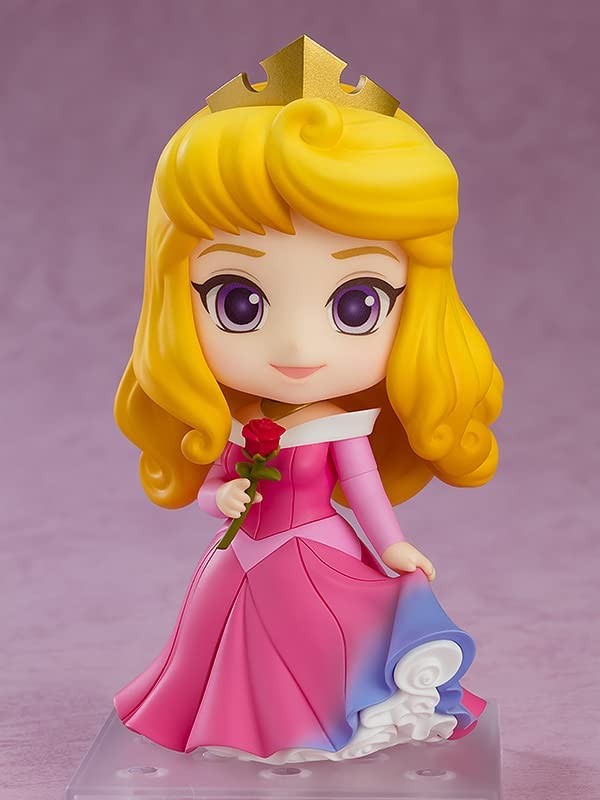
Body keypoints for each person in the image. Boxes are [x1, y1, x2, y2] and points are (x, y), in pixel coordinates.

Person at [111, 36, 503, 764]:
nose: (296, 346)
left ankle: (319, 728)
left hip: (315, 551)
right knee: (210, 639)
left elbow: (363, 488)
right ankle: (244, 728)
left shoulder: (343, 426)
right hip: (240, 553)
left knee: (327, 639)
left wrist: (391, 545)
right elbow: (213, 484)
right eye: (238, 300)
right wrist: (220, 497)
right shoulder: (237, 422)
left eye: (358, 303)